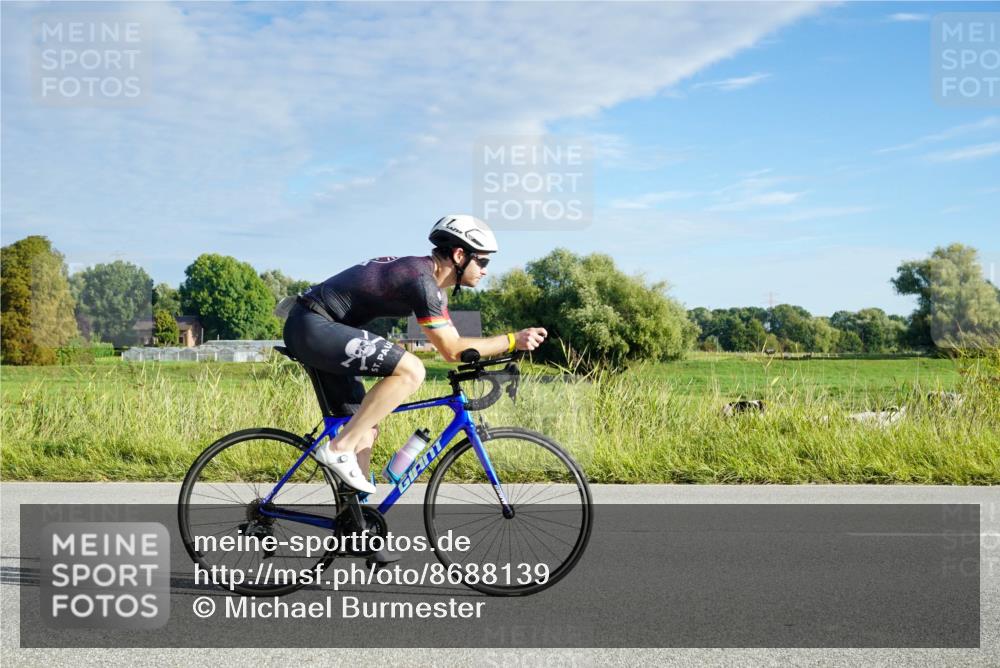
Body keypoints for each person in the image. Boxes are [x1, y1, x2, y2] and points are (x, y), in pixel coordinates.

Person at [282, 215, 548, 495]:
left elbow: (456, 345)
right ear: (459, 255)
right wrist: (512, 340)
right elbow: (451, 350)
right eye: (482, 262)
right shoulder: (421, 280)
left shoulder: (432, 287)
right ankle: (338, 449)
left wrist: (501, 350)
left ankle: (355, 513)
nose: (485, 270)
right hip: (312, 326)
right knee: (412, 370)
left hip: (320, 328)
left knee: (365, 427)